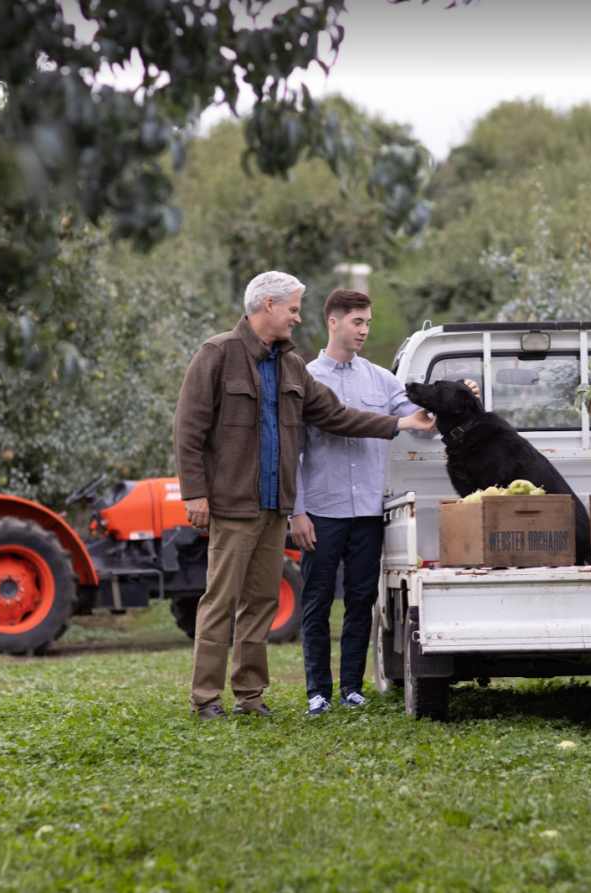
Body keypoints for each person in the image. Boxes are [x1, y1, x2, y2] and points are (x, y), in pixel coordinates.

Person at [174, 272, 435, 721]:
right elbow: (188, 430)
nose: (298, 317)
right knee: (220, 601)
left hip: (276, 507)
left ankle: (249, 697)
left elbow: (335, 415)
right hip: (233, 506)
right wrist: (195, 493)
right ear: (268, 306)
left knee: (261, 603)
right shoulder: (217, 354)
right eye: (293, 308)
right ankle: (205, 700)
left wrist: (399, 423)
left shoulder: (292, 367)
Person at [290, 289, 477, 716]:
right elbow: (294, 451)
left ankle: (351, 689)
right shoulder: (304, 378)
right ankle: (317, 692)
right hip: (321, 510)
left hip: (368, 513)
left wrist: (457, 394)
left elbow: (421, 422)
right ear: (333, 322)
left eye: (368, 323)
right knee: (317, 602)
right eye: (357, 322)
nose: (364, 330)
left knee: (360, 602)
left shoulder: (380, 379)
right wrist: (296, 511)